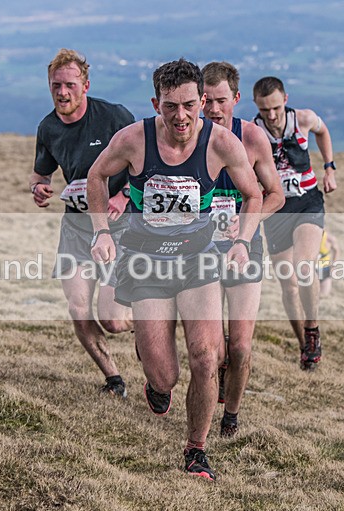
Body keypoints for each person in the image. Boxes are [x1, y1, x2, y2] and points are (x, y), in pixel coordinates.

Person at [87, 58, 263, 481]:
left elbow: (253, 195)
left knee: (206, 356)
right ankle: (154, 373)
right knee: (165, 375)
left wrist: (241, 240)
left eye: (189, 105)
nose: (180, 116)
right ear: (155, 103)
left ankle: (195, 450)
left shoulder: (223, 144)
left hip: (198, 259)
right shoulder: (133, 140)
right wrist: (101, 233)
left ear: (202, 101)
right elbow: (96, 176)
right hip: (146, 262)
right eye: (170, 107)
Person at [29, 49, 134, 398]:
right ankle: (114, 379)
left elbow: (147, 162)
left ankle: (153, 327)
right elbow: (40, 172)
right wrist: (38, 187)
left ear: (85, 85)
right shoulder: (48, 128)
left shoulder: (114, 117)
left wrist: (124, 196)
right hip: (76, 228)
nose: (62, 92)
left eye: (70, 85)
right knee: (77, 308)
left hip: (120, 226)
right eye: (56, 85)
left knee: (114, 320)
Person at [201, 61, 284, 438]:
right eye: (206, 100)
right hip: (201, 250)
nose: (214, 109)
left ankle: (231, 415)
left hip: (245, 248)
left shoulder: (252, 139)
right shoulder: (187, 136)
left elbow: (276, 195)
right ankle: (217, 376)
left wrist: (247, 224)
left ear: (235, 98)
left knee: (243, 347)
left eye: (221, 100)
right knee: (214, 350)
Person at [252, 76, 337, 372]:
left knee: (304, 266)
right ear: (256, 107)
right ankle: (304, 347)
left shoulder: (303, 119)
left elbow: (323, 132)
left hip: (307, 202)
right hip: (275, 209)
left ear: (285, 100)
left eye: (275, 107)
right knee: (288, 285)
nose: (272, 115)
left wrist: (329, 167)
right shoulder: (253, 132)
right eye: (265, 110)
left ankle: (312, 330)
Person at [317, 230, 340, 297]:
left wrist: (333, 266)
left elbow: (336, 251)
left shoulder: (329, 238)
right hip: (310, 270)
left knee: (324, 295)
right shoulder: (306, 237)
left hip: (325, 269)